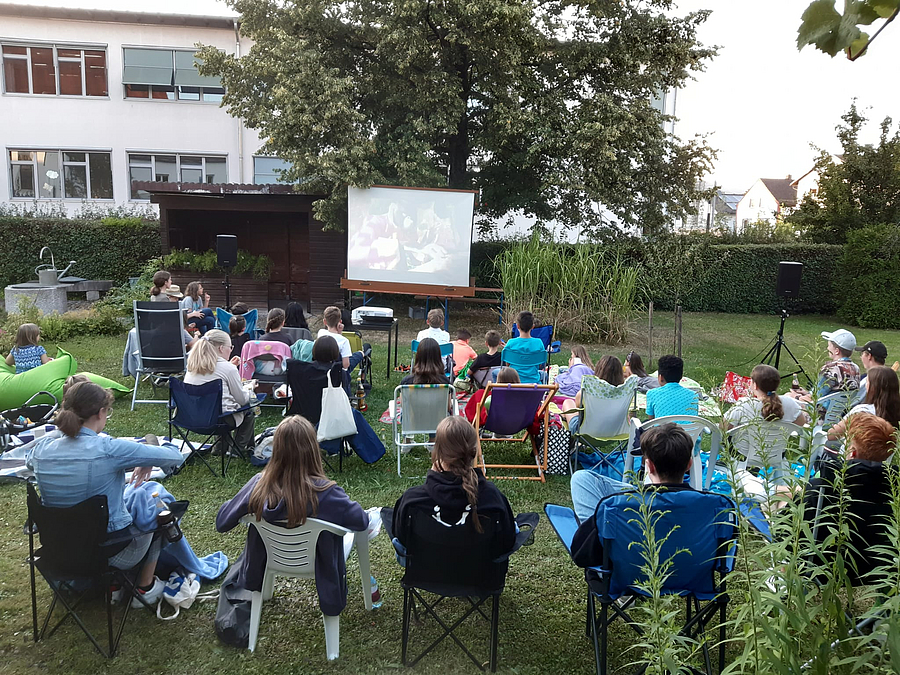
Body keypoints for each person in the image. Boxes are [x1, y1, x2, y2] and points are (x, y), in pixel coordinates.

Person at [26, 382, 185, 607]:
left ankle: (111, 586)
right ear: (101, 412)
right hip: (110, 553)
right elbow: (174, 456)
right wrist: (149, 450)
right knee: (157, 506)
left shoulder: (41, 451)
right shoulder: (109, 449)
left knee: (129, 504)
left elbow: (30, 460)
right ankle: (145, 586)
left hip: (58, 551)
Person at [215, 415, 369, 617]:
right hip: (317, 561)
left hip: (272, 557)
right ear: (313, 449)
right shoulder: (327, 493)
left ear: (276, 449)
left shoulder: (258, 485)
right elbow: (361, 521)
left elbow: (222, 522)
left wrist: (242, 502)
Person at [388, 416, 517, 563]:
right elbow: (508, 541)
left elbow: (401, 536)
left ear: (437, 451)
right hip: (482, 573)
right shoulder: (492, 497)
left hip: (427, 571)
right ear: (473, 451)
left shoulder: (413, 499)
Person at [802, 413, 896, 582]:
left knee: (779, 499)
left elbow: (788, 535)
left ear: (852, 452)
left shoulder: (822, 487)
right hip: (878, 573)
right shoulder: (892, 491)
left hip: (821, 572)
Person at [570, 422, 694, 526]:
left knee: (580, 478)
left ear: (650, 467)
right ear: (689, 465)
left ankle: (592, 527)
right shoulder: (703, 505)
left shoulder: (625, 506)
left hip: (613, 541)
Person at [184, 329, 257, 454]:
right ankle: (236, 450)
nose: (231, 350)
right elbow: (242, 399)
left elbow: (214, 372)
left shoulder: (192, 365)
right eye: (230, 347)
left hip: (192, 418)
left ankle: (219, 447)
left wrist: (229, 366)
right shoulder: (228, 369)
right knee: (249, 409)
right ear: (221, 348)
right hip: (219, 421)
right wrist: (250, 390)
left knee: (219, 405)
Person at [827, 366, 900, 440]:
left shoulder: (862, 411)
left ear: (872, 387)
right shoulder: (896, 412)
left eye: (867, 382)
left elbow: (832, 435)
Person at [789, 329, 860, 405]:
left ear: (837, 351)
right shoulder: (856, 368)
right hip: (841, 410)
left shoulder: (830, 369)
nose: (827, 348)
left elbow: (813, 399)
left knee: (787, 397)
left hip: (821, 410)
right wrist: (807, 393)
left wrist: (795, 396)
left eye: (829, 346)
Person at [724, 364, 808, 428]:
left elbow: (724, 427)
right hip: (778, 446)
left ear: (755, 385)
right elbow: (801, 423)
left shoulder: (744, 404)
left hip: (745, 446)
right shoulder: (790, 403)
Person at [560, 355, 629, 430]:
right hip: (615, 430)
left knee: (568, 402)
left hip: (585, 431)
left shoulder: (586, 393)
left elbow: (578, 409)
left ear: (599, 370)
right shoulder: (623, 396)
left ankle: (565, 434)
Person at [645, 355, 698, 420]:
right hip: (689, 427)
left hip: (663, 427)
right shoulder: (694, 395)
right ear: (681, 376)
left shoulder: (652, 393)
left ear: (661, 377)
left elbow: (651, 420)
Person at [501, 311, 547, 384]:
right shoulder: (538, 343)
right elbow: (540, 364)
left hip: (513, 382)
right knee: (544, 374)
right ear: (533, 327)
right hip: (533, 382)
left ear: (517, 326)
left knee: (496, 372)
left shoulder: (510, 343)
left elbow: (507, 364)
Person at [316, 306, 365, 372]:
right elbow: (345, 365)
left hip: (323, 369)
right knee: (358, 354)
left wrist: (339, 333)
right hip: (338, 372)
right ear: (340, 322)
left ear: (324, 321)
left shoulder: (321, 333)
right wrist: (340, 333)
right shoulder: (344, 341)